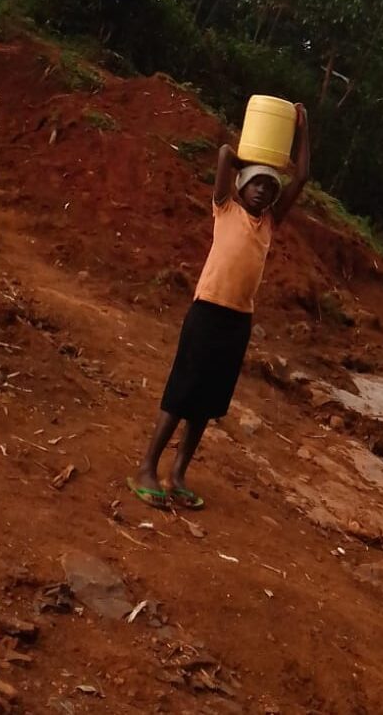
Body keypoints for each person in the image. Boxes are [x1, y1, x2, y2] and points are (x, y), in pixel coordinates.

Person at [129, 103, 310, 510]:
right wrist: (258, 155)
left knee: (207, 403)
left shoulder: (269, 224)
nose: (263, 190)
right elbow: (226, 154)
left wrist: (302, 130)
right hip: (207, 311)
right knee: (181, 392)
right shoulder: (224, 208)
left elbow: (302, 176)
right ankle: (146, 467)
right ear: (241, 186)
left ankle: (176, 474)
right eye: (256, 183)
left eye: (269, 186)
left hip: (238, 321)